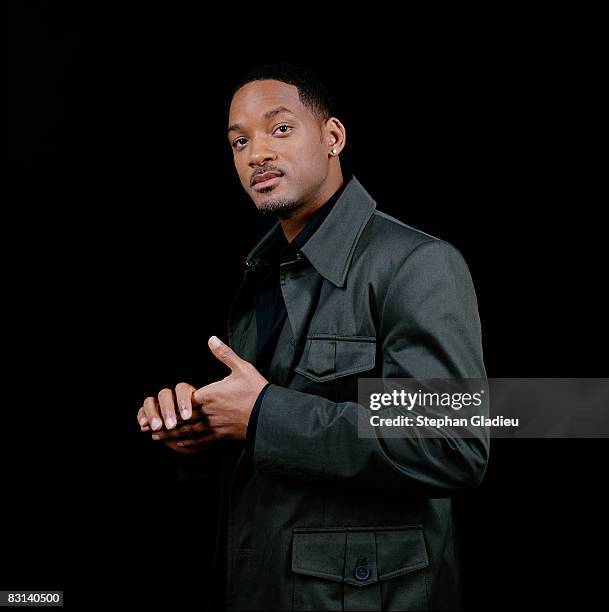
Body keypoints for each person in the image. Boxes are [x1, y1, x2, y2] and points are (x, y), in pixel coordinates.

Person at [137, 63, 489, 611]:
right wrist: (203, 429)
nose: (257, 154)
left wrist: (261, 415)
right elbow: (274, 460)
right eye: (239, 141)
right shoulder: (264, 274)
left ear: (332, 137)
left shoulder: (417, 264)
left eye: (280, 129)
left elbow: (451, 443)